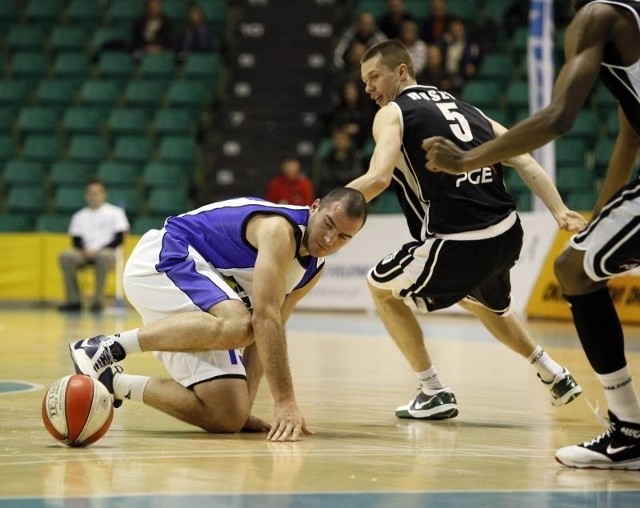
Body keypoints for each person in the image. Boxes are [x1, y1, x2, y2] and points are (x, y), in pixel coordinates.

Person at [422, 0, 640, 470]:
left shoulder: (599, 16)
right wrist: (601, 220)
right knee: (578, 263)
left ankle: (629, 431)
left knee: (571, 271)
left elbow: (559, 118)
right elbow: (630, 133)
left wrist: (464, 161)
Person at [346, 40, 588, 423]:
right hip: (507, 233)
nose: (368, 88)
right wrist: (559, 211)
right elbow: (524, 159)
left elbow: (377, 179)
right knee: (482, 303)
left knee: (381, 288)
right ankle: (552, 371)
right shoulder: (468, 109)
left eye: (375, 76)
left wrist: (323, 205)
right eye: (364, 81)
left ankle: (432, 390)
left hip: (457, 239)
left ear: (403, 71)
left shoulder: (392, 113)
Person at [68, 189, 367, 442]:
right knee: (241, 324)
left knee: (227, 414)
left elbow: (271, 333)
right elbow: (264, 320)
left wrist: (246, 407)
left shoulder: (313, 269)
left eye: (343, 237)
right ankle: (107, 347)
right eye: (328, 224)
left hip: (198, 293)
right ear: (314, 207)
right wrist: (285, 401)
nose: (330, 239)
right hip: (166, 255)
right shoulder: (280, 229)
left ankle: (113, 382)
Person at [58, 179, 130, 313]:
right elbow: (76, 240)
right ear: (86, 195)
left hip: (108, 252)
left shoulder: (115, 213)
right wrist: (85, 251)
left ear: (104, 194)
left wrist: (99, 250)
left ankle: (98, 301)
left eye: (97, 193)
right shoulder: (79, 216)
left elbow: (120, 238)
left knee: (102, 257)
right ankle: (74, 300)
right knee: (66, 256)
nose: (94, 196)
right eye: (91, 193)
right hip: (84, 253)